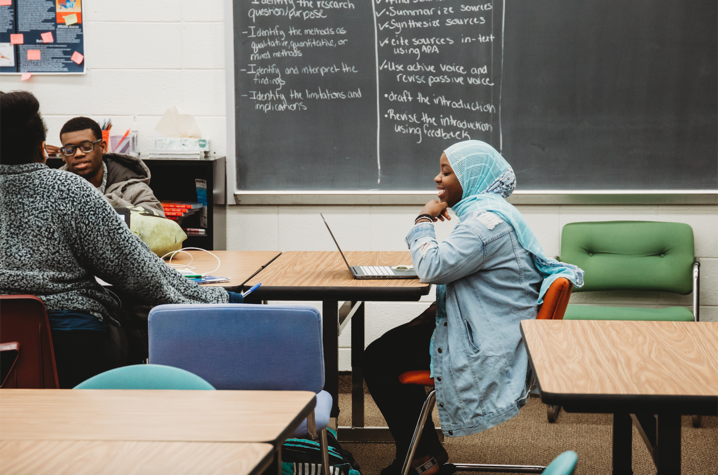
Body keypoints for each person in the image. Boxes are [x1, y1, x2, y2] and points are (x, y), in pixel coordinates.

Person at [362, 140, 584, 475]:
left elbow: (432, 267)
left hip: (488, 343)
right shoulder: (490, 214)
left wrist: (423, 218)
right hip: (491, 328)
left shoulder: (485, 225)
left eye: (447, 172)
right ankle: (426, 454)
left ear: (472, 177)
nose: (438, 179)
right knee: (391, 347)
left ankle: (423, 459)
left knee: (378, 357)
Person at [0, 91, 243, 388]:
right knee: (133, 331)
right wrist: (216, 298)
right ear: (43, 149)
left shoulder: (82, 187)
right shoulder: (68, 190)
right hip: (71, 342)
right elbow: (136, 270)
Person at [48, 116, 165, 216]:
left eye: (87, 147)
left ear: (102, 147)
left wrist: (110, 203)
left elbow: (159, 226)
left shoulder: (135, 189)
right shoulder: (51, 190)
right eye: (69, 149)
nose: (78, 154)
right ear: (63, 155)